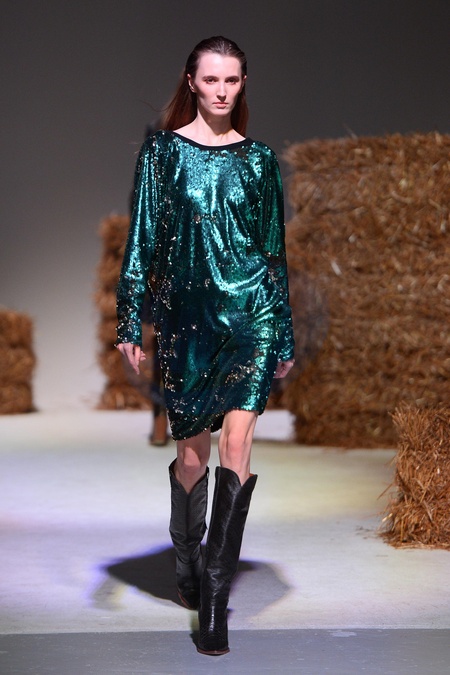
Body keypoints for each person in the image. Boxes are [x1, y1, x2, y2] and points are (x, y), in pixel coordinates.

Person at [116, 36, 295, 656]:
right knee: (193, 459)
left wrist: (284, 332)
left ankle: (215, 602)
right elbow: (141, 239)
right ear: (191, 82)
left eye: (232, 80)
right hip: (187, 321)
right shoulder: (163, 153)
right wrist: (128, 320)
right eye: (211, 79)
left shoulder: (260, 160)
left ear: (243, 85)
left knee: (238, 446)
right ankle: (186, 556)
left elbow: (273, 253)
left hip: (250, 317)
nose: (222, 90)